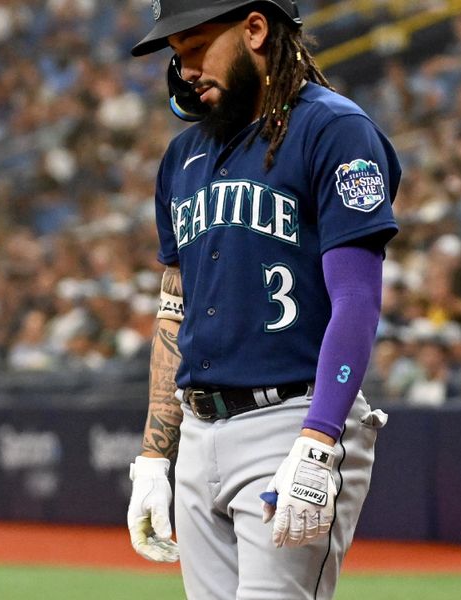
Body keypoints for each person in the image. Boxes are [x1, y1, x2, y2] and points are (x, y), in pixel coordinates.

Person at [125, 1, 400, 599]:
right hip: (199, 432)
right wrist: (154, 458)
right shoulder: (182, 158)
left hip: (292, 422)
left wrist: (319, 440)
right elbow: (175, 310)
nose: (186, 69)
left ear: (254, 29)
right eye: (178, 55)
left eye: (196, 46)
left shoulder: (333, 129)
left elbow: (356, 298)